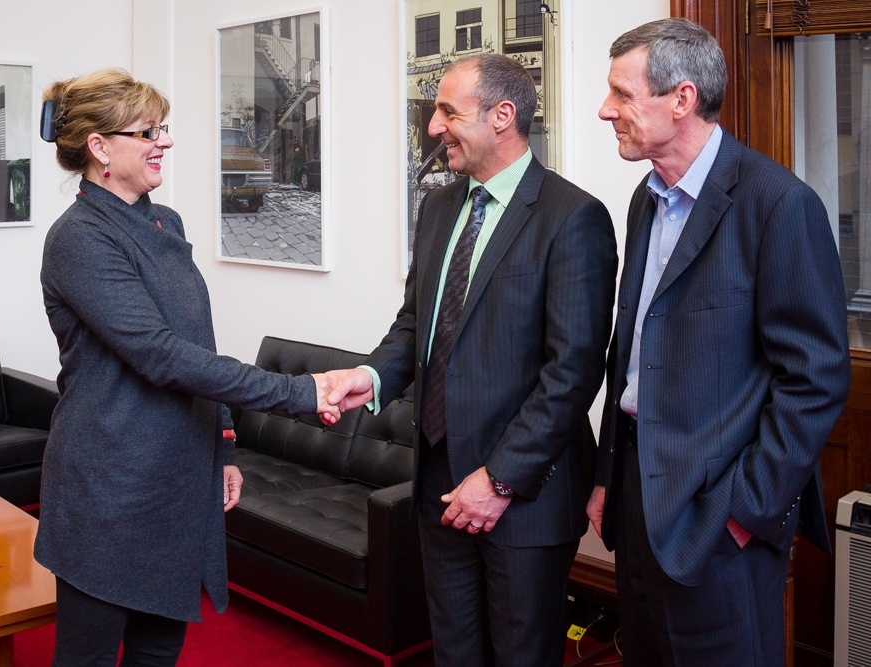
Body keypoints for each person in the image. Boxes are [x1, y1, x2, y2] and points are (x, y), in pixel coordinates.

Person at [34, 69, 339, 667]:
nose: (165, 142)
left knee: (158, 651)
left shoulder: (163, 221)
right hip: (109, 483)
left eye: (163, 128)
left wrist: (224, 444)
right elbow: (161, 356)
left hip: (176, 477)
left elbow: (198, 340)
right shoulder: (78, 239)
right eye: (148, 131)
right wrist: (299, 392)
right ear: (100, 148)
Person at [325, 53, 617, 666]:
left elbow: (573, 373)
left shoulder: (574, 219)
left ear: (502, 116)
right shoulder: (439, 209)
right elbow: (417, 325)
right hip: (438, 482)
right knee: (454, 654)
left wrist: (500, 478)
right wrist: (371, 374)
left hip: (524, 499)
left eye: (447, 112)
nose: (433, 128)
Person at [586, 18, 851, 665]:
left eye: (622, 94)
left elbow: (815, 378)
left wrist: (744, 511)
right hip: (636, 500)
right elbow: (634, 352)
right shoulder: (645, 202)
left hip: (717, 515)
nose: (604, 110)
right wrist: (606, 479)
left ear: (681, 98)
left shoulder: (778, 204)